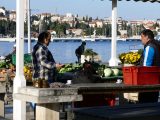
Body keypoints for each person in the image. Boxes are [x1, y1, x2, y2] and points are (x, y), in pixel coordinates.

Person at [138, 29, 160, 103]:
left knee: (144, 104)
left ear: (147, 37)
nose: (141, 39)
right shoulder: (157, 44)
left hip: (148, 82)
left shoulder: (149, 47)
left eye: (142, 37)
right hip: (156, 80)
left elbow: (145, 67)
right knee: (153, 103)